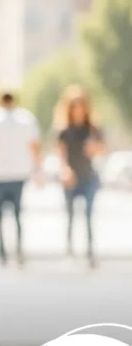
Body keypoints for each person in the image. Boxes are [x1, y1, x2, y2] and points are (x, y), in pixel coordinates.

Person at [0, 91, 42, 266]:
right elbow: (34, 147)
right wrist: (37, 169)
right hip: (20, 173)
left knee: (0, 216)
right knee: (18, 215)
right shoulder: (26, 119)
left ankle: (3, 254)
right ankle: (18, 250)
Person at [54, 84, 105, 268]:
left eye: (81, 105)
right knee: (69, 216)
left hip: (89, 177)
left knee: (89, 216)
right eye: (75, 105)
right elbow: (60, 154)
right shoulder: (63, 130)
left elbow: (102, 150)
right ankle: (69, 251)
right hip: (70, 178)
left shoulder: (93, 128)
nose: (78, 109)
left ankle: (90, 252)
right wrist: (64, 170)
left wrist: (95, 149)